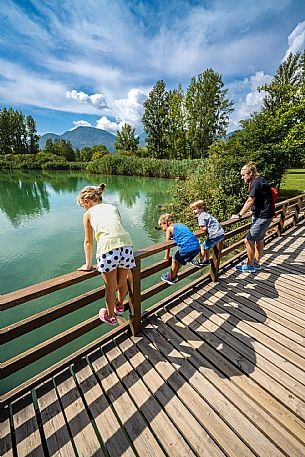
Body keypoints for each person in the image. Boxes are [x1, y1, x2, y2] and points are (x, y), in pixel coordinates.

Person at [77, 184, 135, 325]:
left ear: (87, 202)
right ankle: (119, 306)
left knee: (110, 287)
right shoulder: (113, 207)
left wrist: (88, 265)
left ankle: (110, 316)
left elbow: (88, 242)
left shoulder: (88, 214)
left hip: (108, 248)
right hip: (127, 246)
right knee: (122, 282)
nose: (84, 208)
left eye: (83, 206)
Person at [232, 162, 273, 272]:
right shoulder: (261, 179)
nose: (242, 177)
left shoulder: (255, 182)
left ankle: (250, 265)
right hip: (266, 215)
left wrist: (239, 214)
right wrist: (253, 210)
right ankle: (256, 263)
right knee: (259, 239)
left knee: (248, 240)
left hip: (262, 216)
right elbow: (262, 198)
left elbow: (250, 200)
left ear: (250, 173)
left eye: (243, 175)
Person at [158, 213, 200, 285]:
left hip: (188, 247)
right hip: (197, 247)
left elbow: (167, 245)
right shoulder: (180, 225)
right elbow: (182, 234)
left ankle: (171, 278)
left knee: (174, 259)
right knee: (179, 260)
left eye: (161, 226)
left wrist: (167, 257)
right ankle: (174, 275)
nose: (162, 229)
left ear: (165, 223)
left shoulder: (169, 229)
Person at [189, 200, 224, 267]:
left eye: (195, 209)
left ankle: (200, 262)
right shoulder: (206, 214)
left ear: (201, 208)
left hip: (214, 235)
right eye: (193, 210)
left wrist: (201, 229)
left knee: (202, 246)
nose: (193, 211)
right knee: (207, 247)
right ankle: (207, 260)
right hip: (220, 233)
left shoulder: (201, 217)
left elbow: (204, 228)